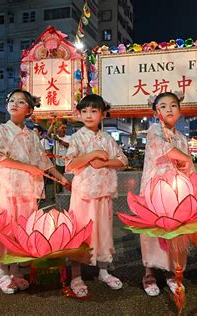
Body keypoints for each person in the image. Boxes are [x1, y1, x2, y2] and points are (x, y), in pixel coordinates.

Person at [0, 89, 70, 294]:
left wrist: (61, 178)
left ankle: (16, 271)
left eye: (20, 102)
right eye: (11, 100)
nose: (14, 103)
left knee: (22, 230)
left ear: (29, 110)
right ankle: (2, 273)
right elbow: (0, 159)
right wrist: (28, 168)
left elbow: (43, 161)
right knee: (6, 229)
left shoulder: (32, 134)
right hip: (7, 188)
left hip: (28, 189)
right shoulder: (0, 130)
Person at [66, 94, 128, 298]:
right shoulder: (76, 138)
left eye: (94, 111)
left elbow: (123, 160)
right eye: (84, 111)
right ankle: (76, 275)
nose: (88, 115)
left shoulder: (108, 138)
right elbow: (70, 164)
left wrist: (105, 163)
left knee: (103, 230)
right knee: (80, 232)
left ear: (102, 114)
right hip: (83, 194)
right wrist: (93, 154)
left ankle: (103, 271)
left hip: (104, 193)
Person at [139, 92, 194, 297]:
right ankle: (149, 272)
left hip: (177, 192)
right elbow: (164, 149)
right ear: (156, 112)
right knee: (153, 233)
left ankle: (173, 272)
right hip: (155, 190)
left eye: (173, 105)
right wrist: (185, 158)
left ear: (180, 111)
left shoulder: (182, 138)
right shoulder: (154, 130)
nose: (169, 109)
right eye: (163, 106)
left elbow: (188, 167)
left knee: (176, 233)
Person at [49, 120, 71, 193]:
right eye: (62, 128)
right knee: (58, 179)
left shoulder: (69, 137)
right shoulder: (55, 136)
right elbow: (48, 133)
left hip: (67, 163)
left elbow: (68, 145)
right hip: (57, 163)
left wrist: (59, 140)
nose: (64, 130)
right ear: (58, 129)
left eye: (65, 128)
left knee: (67, 179)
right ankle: (58, 193)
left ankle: (67, 193)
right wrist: (52, 124)